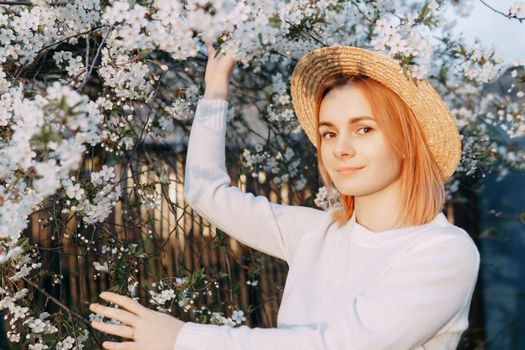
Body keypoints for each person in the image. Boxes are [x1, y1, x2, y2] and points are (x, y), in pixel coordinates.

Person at [89, 40, 481, 350]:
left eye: (364, 129)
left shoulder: (442, 251)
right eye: (329, 133)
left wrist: (184, 338)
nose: (340, 148)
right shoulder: (315, 232)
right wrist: (215, 92)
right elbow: (206, 191)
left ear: (407, 143)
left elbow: (338, 346)